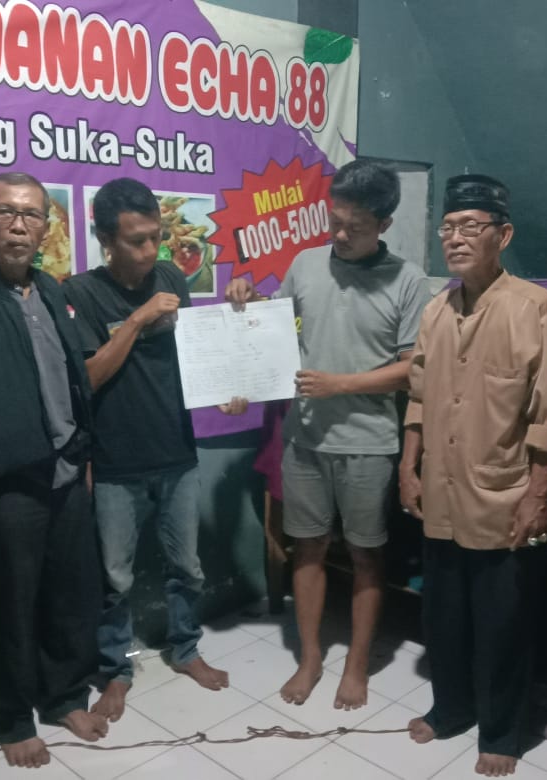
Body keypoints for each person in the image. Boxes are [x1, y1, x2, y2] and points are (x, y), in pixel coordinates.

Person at [226, 159, 432, 710]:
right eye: (334, 221)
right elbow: (273, 330)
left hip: (368, 443)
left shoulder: (409, 281)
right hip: (305, 439)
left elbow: (413, 370)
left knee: (366, 554)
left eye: (355, 228)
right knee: (308, 549)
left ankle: (357, 665)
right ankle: (311, 657)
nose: (340, 235)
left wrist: (340, 384)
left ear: (384, 225)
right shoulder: (305, 263)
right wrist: (247, 299)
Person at [0, 172, 105, 768]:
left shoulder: (53, 290)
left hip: (66, 473)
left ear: (44, 229)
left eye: (31, 215)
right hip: (4, 485)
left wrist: (82, 454)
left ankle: (64, 696)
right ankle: (10, 718)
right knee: (8, 606)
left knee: (70, 596)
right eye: (5, 212)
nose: (18, 225)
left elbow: (74, 380)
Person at [62, 177, 245, 723]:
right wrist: (139, 319)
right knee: (114, 579)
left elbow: (190, 355)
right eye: (136, 241)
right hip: (114, 461)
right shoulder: (80, 292)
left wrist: (224, 386)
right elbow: (89, 378)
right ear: (105, 240)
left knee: (187, 567)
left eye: (155, 238)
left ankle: (185, 648)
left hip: (177, 451)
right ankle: (116, 671)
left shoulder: (171, 276)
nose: (150, 252)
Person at [399, 175, 547, 777]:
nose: (456, 238)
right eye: (448, 227)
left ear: (503, 235)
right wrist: (408, 466)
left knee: (503, 626)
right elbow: (419, 397)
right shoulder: (435, 310)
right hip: (440, 491)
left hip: (503, 496)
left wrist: (538, 496)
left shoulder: (534, 308)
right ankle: (451, 708)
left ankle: (502, 731)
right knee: (443, 616)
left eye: (471, 226)